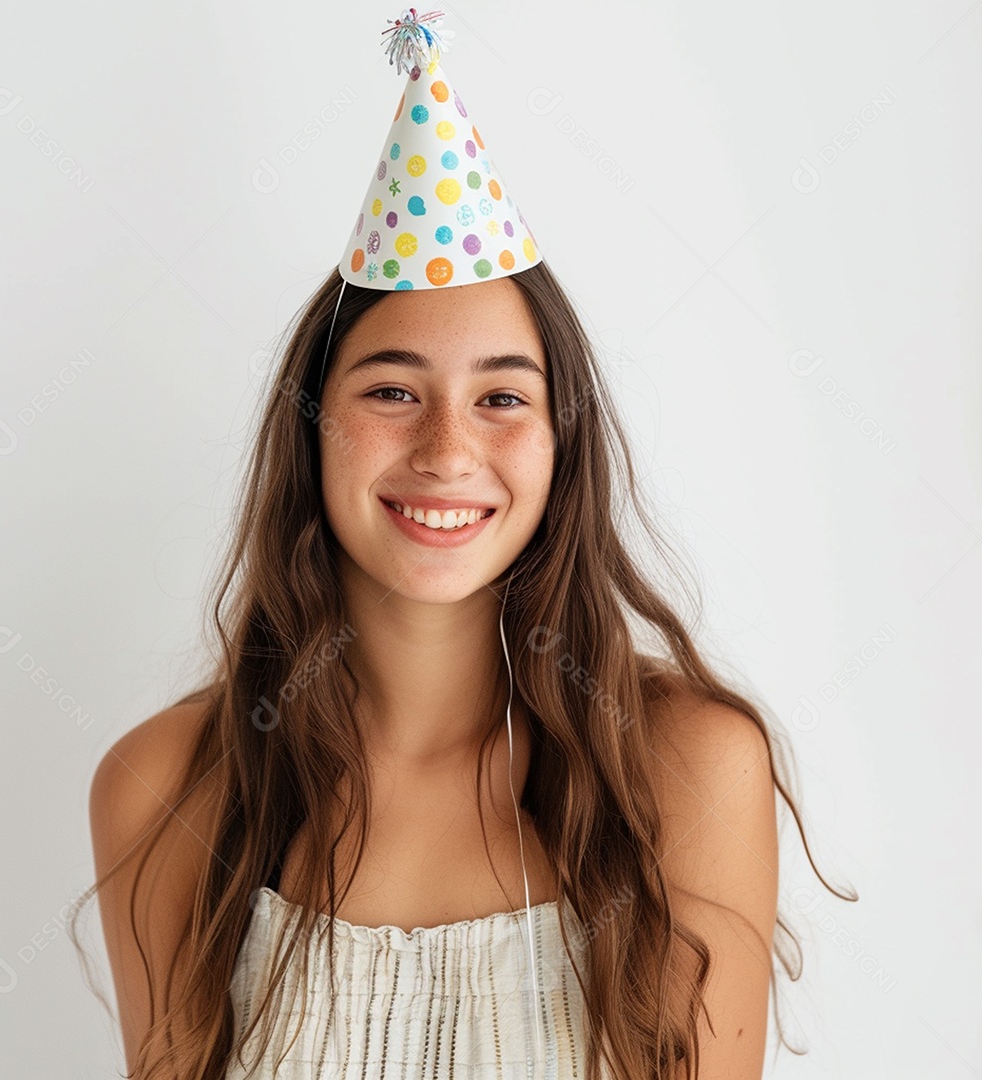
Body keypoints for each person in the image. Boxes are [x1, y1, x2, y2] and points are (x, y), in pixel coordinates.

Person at [73, 10, 855, 1080]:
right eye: (393, 390)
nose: (447, 450)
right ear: (311, 429)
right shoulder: (167, 786)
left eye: (501, 397)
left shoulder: (688, 769)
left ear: (559, 444)